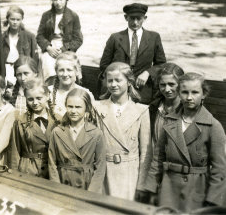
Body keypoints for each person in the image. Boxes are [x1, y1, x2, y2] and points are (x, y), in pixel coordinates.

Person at [143, 73, 226, 212]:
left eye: (195, 92)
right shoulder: (169, 121)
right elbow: (158, 159)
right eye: (184, 92)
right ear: (179, 93)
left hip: (197, 191)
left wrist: (212, 200)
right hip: (168, 188)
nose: (189, 97)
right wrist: (151, 189)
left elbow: (220, 169)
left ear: (204, 94)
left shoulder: (213, 126)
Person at [93, 62, 151, 201]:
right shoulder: (97, 107)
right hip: (103, 171)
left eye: (118, 80)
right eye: (110, 80)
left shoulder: (141, 110)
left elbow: (146, 152)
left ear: (129, 82)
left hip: (129, 173)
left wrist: (141, 184)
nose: (113, 84)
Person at [99, 3, 166, 104]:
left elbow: (161, 64)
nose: (135, 22)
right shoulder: (115, 38)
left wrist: (148, 73)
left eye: (139, 19)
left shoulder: (154, 37)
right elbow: (104, 65)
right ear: (126, 18)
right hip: (117, 87)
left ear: (145, 18)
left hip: (142, 88)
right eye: (132, 18)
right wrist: (119, 79)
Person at [48, 88, 106, 192]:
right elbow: (52, 163)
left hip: (86, 184)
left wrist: (92, 192)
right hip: (63, 182)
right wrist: (56, 187)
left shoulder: (96, 133)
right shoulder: (57, 132)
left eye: (78, 107)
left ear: (87, 108)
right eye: (70, 106)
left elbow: (100, 166)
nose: (73, 111)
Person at [36, 0, 83, 82]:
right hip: (50, 47)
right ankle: (50, 86)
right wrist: (48, 47)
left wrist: (63, 50)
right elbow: (39, 36)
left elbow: (78, 39)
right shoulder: (46, 15)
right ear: (52, 1)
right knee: (46, 62)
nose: (58, 2)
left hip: (66, 48)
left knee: (67, 66)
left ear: (66, 0)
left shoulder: (73, 16)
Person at [8, 79, 51, 178]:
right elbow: (15, 152)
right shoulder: (20, 122)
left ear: (47, 96)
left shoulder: (58, 121)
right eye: (30, 99)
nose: (35, 103)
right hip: (28, 170)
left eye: (39, 98)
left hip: (51, 170)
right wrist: (14, 176)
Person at [48, 52, 94, 125]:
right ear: (56, 71)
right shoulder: (48, 93)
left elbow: (91, 122)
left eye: (69, 70)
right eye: (61, 70)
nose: (65, 74)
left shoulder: (85, 93)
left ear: (77, 71)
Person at [148, 63, 184, 148]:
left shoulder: (188, 110)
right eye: (163, 85)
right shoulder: (154, 108)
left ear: (181, 84)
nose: (167, 90)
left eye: (171, 84)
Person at [3, 6, 38, 85]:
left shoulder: (29, 36)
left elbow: (35, 58)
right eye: (12, 19)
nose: (15, 22)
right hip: (7, 69)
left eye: (18, 19)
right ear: (8, 19)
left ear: (21, 20)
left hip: (23, 70)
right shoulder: (2, 37)